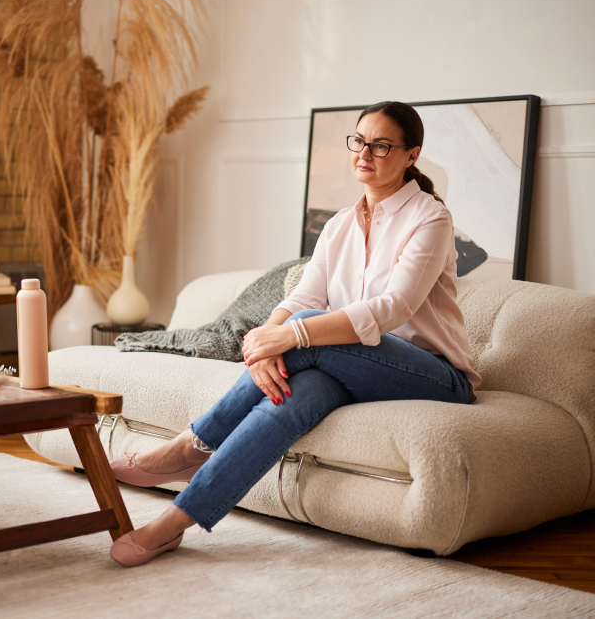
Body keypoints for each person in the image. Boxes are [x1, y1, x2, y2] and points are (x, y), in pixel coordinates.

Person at [108, 101, 482, 567]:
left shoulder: (430, 218)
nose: (366, 152)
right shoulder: (340, 224)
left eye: (382, 145)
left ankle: (191, 445)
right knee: (287, 400)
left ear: (411, 155)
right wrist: (265, 342)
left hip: (434, 376)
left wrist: (289, 338)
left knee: (302, 335)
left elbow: (392, 309)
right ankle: (177, 521)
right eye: (359, 141)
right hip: (354, 366)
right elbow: (305, 297)